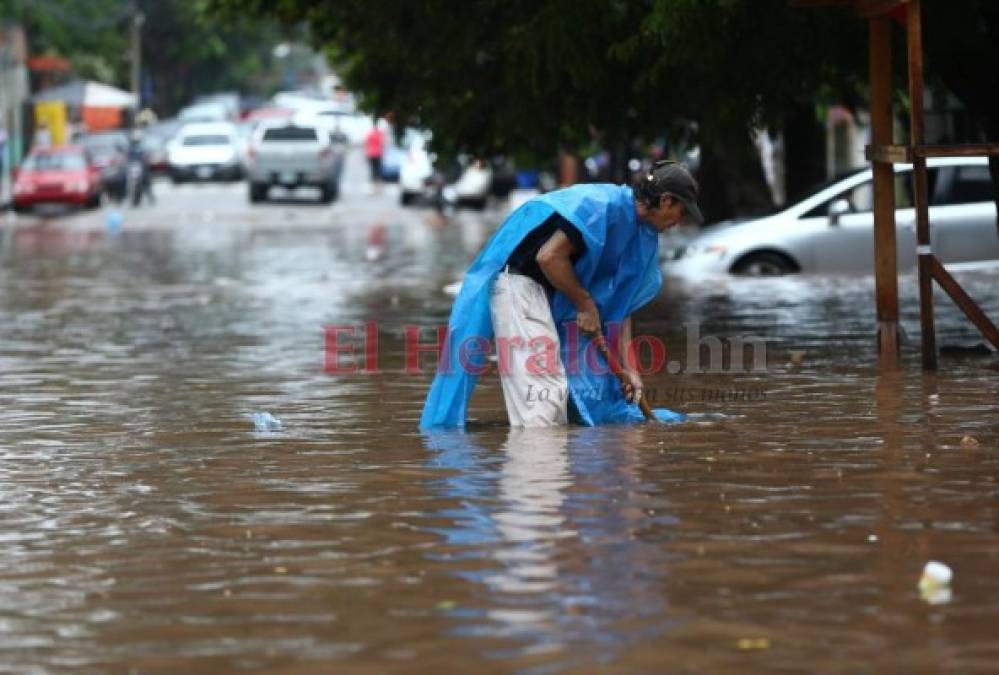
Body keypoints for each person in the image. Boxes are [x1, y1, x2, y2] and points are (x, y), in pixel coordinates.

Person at [421, 160, 703, 429]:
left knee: (567, 399)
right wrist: (584, 303)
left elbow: (621, 307)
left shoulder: (642, 236)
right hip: (519, 284)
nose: (680, 221)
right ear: (665, 200)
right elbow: (549, 257)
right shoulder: (600, 206)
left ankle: (552, 470)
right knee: (541, 397)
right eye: (682, 211)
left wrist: (630, 370)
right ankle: (538, 473)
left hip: (552, 296)